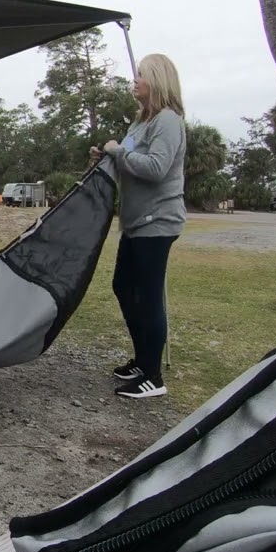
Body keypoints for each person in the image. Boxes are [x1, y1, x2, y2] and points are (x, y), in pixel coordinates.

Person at [90, 53, 187, 400]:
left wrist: (119, 153)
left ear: (156, 81)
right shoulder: (140, 123)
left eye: (140, 75)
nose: (135, 80)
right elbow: (128, 162)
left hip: (158, 222)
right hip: (134, 223)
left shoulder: (168, 121)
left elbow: (156, 168)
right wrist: (106, 156)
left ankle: (153, 376)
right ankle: (142, 360)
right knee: (122, 287)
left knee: (147, 297)